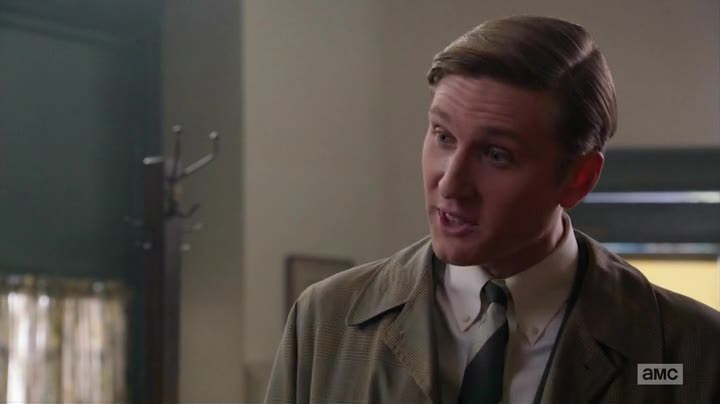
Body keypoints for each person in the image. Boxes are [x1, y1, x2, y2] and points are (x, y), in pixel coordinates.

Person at [265, 15, 720, 404]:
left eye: (496, 155)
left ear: (578, 179)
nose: (451, 183)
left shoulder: (692, 350)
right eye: (443, 136)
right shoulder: (326, 321)